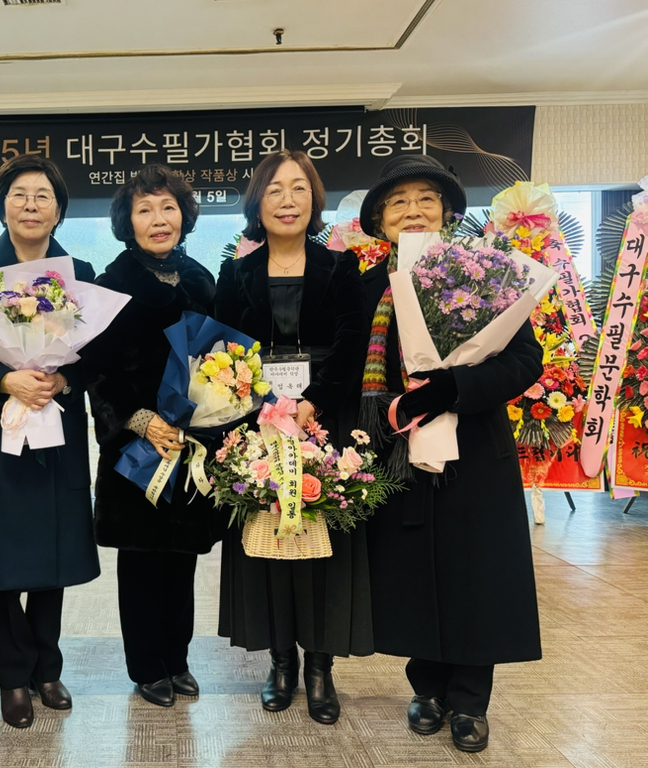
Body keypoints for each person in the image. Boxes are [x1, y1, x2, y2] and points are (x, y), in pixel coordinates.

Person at [358, 154, 543, 753]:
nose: (412, 211)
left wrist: (452, 387)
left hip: (475, 449)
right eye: (398, 202)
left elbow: (525, 361)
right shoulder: (368, 288)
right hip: (397, 450)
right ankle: (427, 687)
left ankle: (469, 700)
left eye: (426, 199)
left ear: (447, 213)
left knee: (475, 572)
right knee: (415, 571)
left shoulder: (485, 273)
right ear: (380, 221)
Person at [213, 149, 367, 722]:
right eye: (275, 189)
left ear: (314, 199)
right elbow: (223, 346)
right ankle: (280, 663)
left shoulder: (341, 267)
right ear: (258, 202)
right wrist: (265, 407)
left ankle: (320, 668)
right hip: (257, 424)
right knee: (270, 543)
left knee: (323, 545)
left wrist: (312, 402)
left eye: (299, 188)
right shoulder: (236, 273)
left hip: (324, 421)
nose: (287, 200)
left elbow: (352, 343)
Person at [0, 154, 99, 729]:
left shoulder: (79, 272)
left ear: (59, 211)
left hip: (55, 431)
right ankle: (13, 676)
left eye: (42, 196)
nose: (31, 205)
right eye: (19, 195)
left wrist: (63, 380)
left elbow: (96, 353)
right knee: (0, 558)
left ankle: (47, 669)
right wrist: (4, 380)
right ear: (2, 207)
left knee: (51, 556)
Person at [84, 164, 219, 707]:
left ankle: (177, 658)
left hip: (190, 441)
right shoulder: (110, 286)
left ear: (184, 216)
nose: (158, 219)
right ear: (128, 221)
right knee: (142, 560)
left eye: (168, 207)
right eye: (145, 209)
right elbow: (96, 371)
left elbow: (221, 360)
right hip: (138, 444)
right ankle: (146, 666)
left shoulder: (202, 280)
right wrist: (139, 420)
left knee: (182, 558)